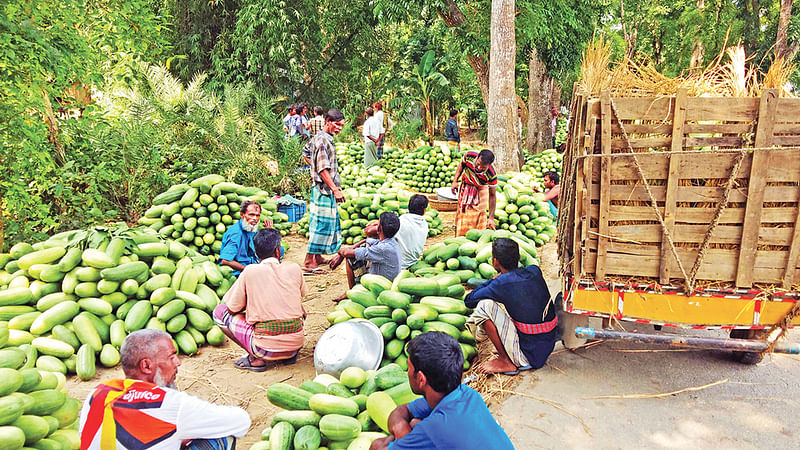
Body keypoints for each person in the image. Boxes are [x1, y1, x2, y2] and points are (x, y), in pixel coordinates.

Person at [79, 330, 251, 450]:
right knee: (222, 434)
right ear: (146, 365)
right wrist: (188, 432)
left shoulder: (96, 393)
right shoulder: (171, 403)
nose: (178, 362)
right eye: (171, 356)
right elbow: (241, 421)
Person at [369, 332, 514, 450]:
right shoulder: (467, 394)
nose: (407, 372)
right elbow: (404, 410)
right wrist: (403, 430)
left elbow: (378, 447)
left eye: (409, 367)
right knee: (414, 423)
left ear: (421, 378)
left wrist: (402, 437)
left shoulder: (434, 429)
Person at [213, 228, 306, 371]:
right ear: (277, 251)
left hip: (264, 350)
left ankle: (255, 358)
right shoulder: (294, 268)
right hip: (295, 346)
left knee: (219, 312)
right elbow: (299, 300)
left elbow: (232, 309)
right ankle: (287, 355)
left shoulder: (250, 271)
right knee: (299, 309)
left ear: (256, 253)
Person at [464, 238, 557, 375]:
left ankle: (505, 361)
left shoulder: (501, 283)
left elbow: (469, 300)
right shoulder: (534, 270)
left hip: (529, 357)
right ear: (518, 257)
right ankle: (508, 349)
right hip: (547, 345)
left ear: (495, 262)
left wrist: (492, 281)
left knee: (484, 306)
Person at [302, 109, 346, 274]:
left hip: (323, 188)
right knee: (322, 224)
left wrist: (313, 165)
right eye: (337, 124)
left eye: (341, 125)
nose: (339, 128)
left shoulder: (321, 137)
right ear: (328, 121)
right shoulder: (322, 141)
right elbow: (322, 169)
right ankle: (308, 261)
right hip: (324, 189)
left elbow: (305, 152)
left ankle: (318, 257)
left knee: (322, 223)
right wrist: (335, 189)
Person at [334, 212, 401, 291]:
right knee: (358, 252)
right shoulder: (391, 242)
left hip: (383, 288)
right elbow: (367, 240)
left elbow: (346, 253)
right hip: (386, 281)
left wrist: (340, 253)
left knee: (351, 259)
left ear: (379, 229)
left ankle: (352, 292)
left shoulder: (382, 249)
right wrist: (352, 247)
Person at [450, 149, 498, 236]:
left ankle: (475, 238)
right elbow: (462, 164)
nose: (479, 168)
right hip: (466, 186)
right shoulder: (470, 156)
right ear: (478, 157)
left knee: (479, 215)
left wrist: (491, 218)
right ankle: (460, 236)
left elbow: (492, 195)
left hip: (481, 190)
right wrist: (455, 181)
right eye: (478, 164)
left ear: (489, 165)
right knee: (463, 213)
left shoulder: (491, 175)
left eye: (483, 167)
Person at [219, 200, 272, 276]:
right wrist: (247, 269)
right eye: (251, 214)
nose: (255, 218)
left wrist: (268, 232)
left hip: (252, 263)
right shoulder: (236, 233)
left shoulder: (250, 227)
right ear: (242, 215)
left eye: (257, 215)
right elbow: (225, 261)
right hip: (239, 272)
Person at [395, 194, 429, 270]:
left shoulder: (401, 221)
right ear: (424, 210)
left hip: (397, 265)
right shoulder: (424, 224)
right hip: (413, 263)